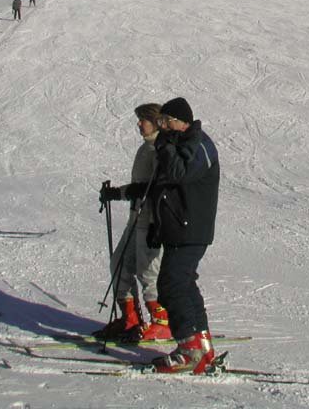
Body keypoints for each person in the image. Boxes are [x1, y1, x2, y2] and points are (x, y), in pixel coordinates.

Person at [103, 97, 219, 374]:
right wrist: (120, 195)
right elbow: (157, 188)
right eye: (161, 122)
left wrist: (165, 145)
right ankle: (199, 345)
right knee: (183, 283)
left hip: (190, 227)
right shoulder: (179, 144)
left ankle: (187, 347)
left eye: (167, 121)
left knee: (171, 284)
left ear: (181, 121)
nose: (163, 126)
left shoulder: (196, 145)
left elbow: (179, 173)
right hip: (177, 226)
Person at [94, 103, 173, 342]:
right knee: (119, 264)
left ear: (157, 122)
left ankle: (161, 322)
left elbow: (160, 186)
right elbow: (140, 185)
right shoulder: (145, 148)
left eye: (143, 120)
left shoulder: (162, 149)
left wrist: (137, 192)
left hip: (151, 220)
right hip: (136, 217)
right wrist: (117, 193)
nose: (139, 124)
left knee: (148, 271)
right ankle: (130, 318)